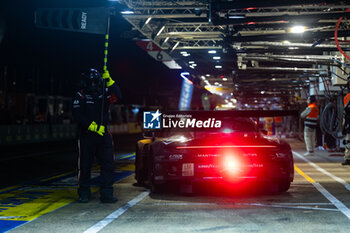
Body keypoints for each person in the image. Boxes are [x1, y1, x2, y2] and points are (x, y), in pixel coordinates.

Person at [73, 68, 122, 203]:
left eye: (95, 82)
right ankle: (84, 193)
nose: (93, 85)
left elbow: (118, 96)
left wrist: (110, 81)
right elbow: (78, 115)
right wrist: (94, 127)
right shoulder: (80, 95)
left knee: (108, 165)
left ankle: (106, 194)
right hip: (86, 135)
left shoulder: (105, 94)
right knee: (85, 165)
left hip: (103, 135)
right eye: (91, 82)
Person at [342, 91, 350, 165]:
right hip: (348, 123)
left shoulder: (347, 97)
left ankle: (347, 158)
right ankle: (347, 158)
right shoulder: (347, 97)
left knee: (348, 141)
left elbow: (345, 113)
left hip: (348, 123)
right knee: (348, 141)